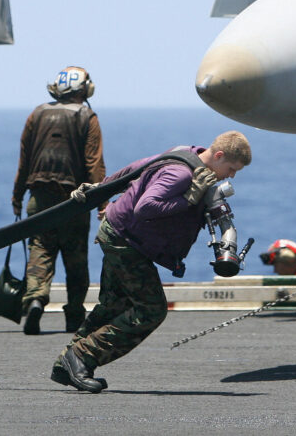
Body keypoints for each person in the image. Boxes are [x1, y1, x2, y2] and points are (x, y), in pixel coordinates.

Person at [50, 130, 251, 393]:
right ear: (219, 155)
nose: (232, 175)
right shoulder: (182, 174)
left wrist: (101, 190)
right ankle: (80, 357)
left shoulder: (185, 152)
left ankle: (68, 363)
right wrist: (187, 200)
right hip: (126, 242)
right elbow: (145, 208)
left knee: (114, 304)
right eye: (231, 168)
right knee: (150, 310)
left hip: (118, 234)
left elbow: (136, 169)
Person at [11, 66, 105, 335]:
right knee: (75, 259)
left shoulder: (37, 113)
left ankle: (36, 301)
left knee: (40, 252)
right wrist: (102, 202)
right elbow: (94, 165)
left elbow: (24, 161)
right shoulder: (88, 116)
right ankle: (74, 315)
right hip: (74, 203)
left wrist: (17, 196)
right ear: (84, 90)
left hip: (38, 201)